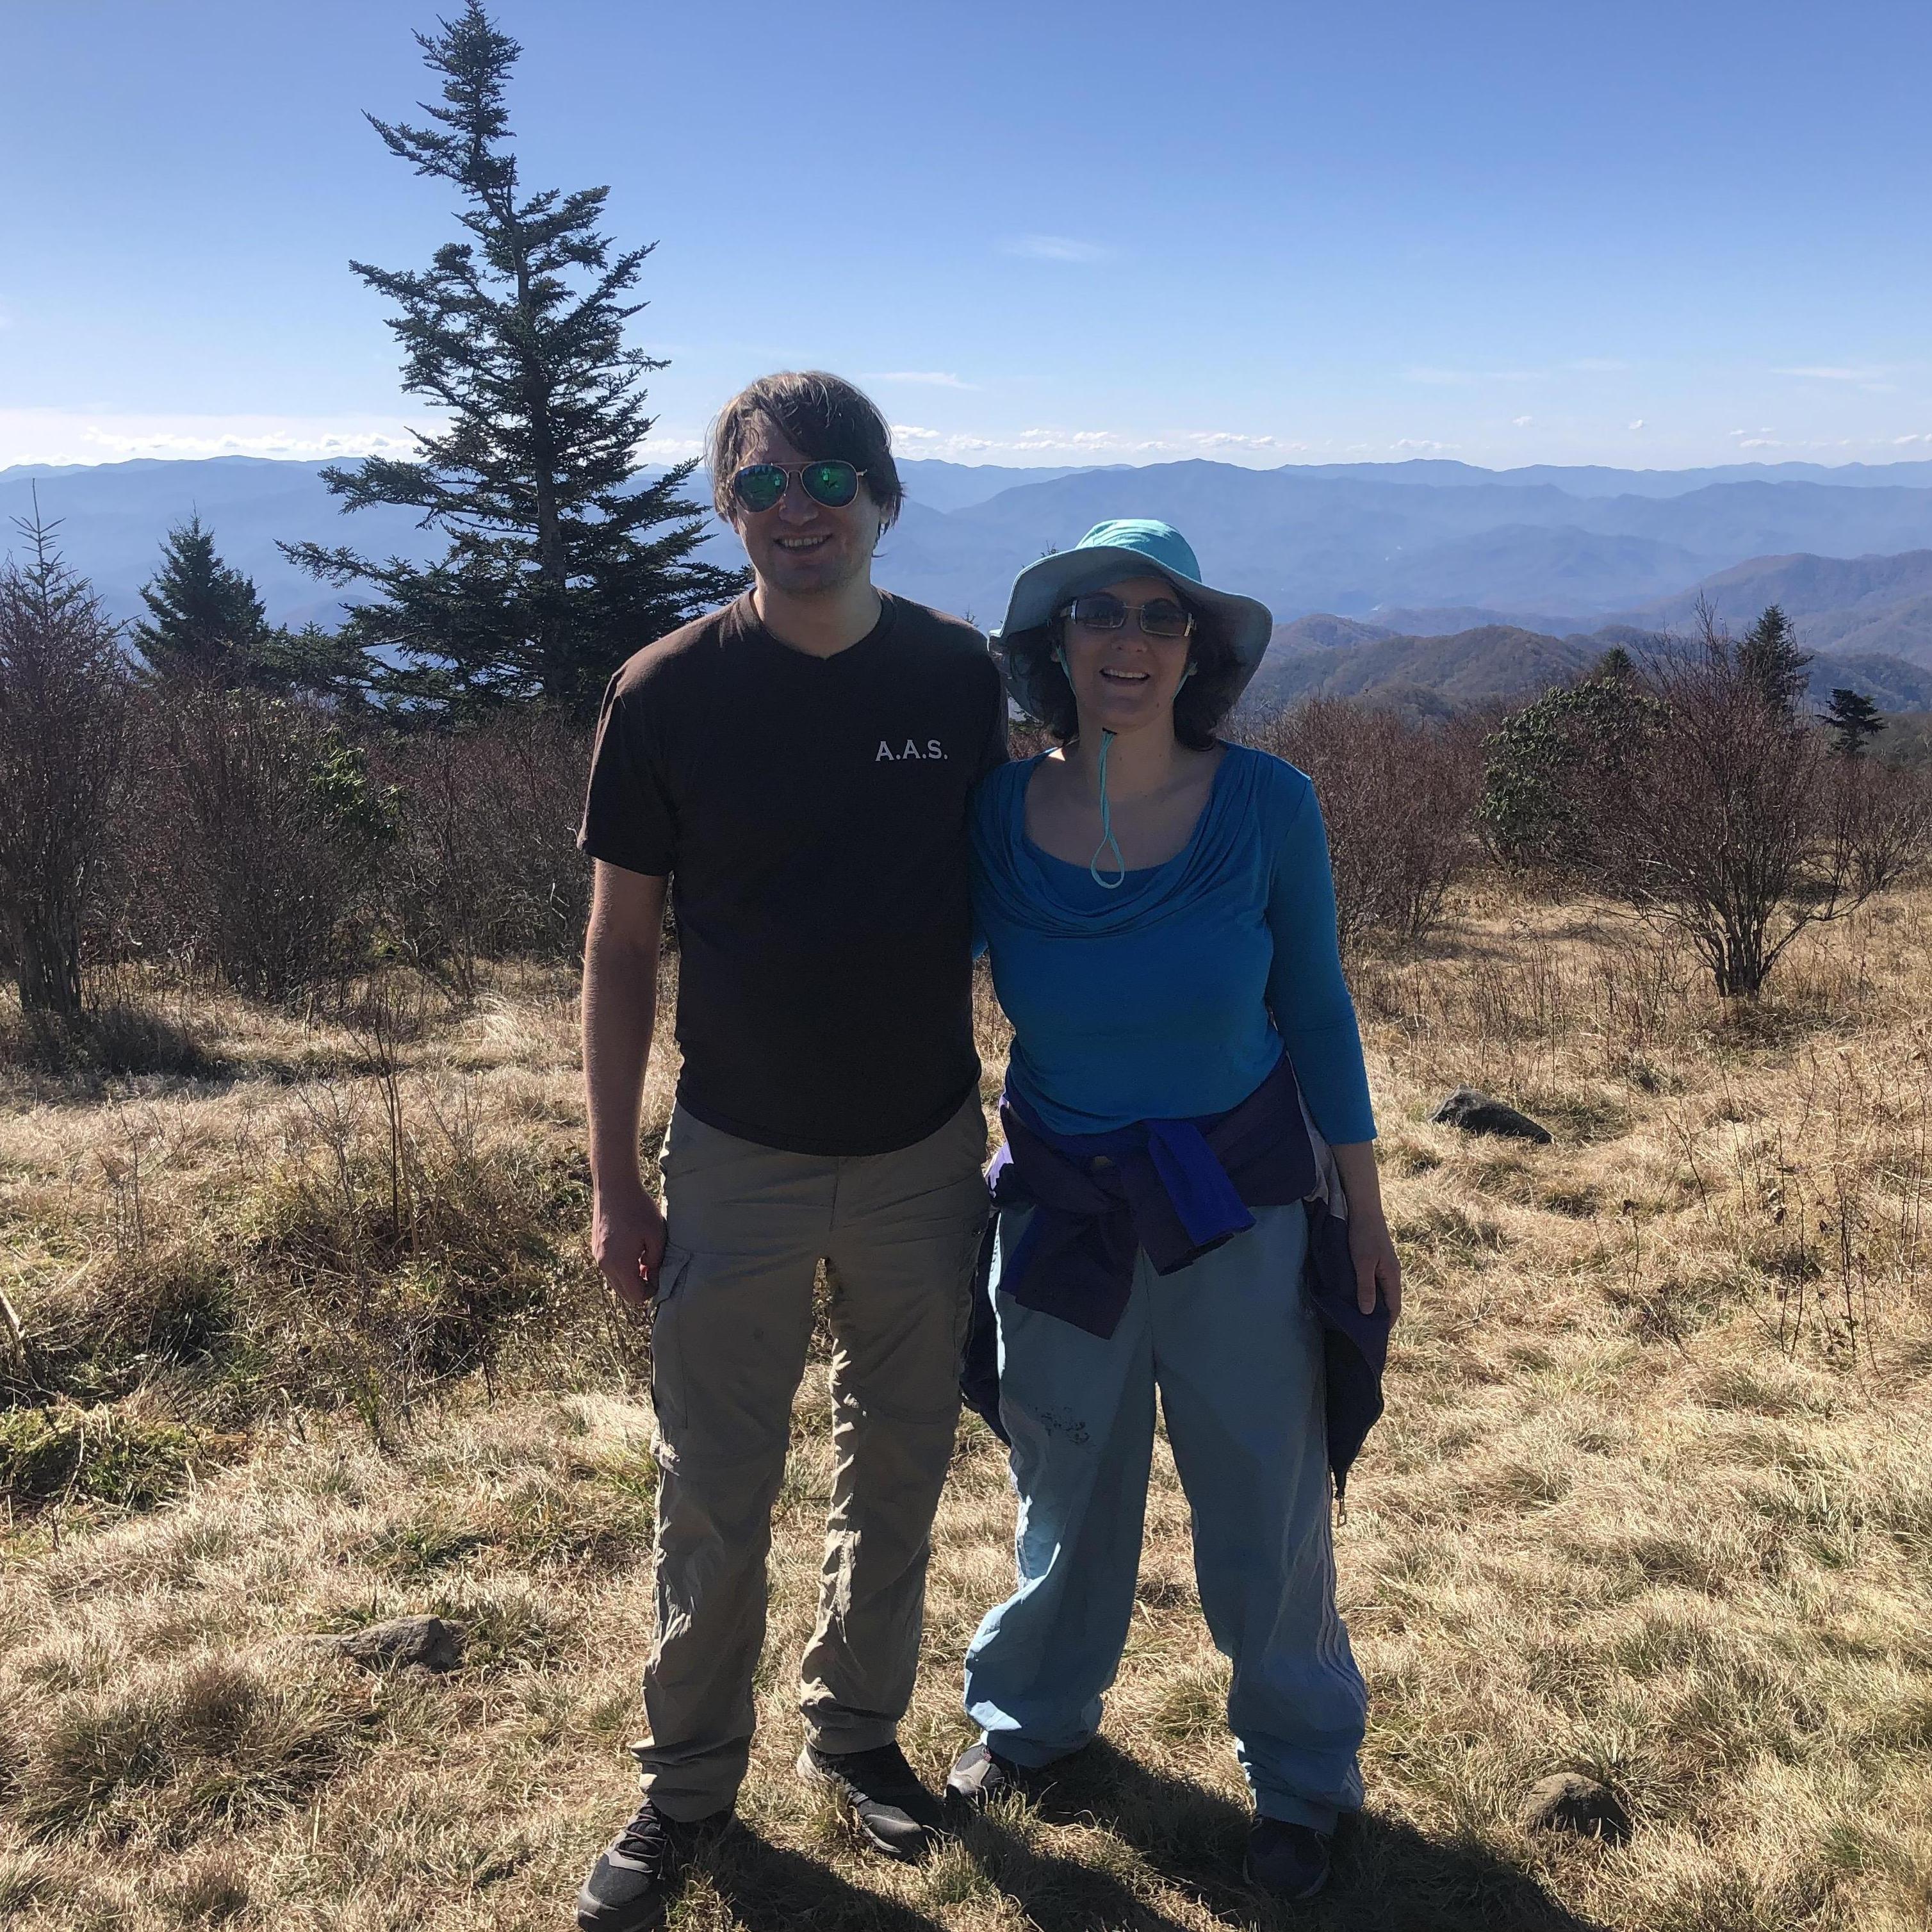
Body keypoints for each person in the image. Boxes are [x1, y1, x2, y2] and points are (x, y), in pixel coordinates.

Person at [573, 372, 1007, 1931]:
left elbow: (1012, 894)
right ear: (727, 508)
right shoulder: (666, 689)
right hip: (735, 1150)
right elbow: (620, 948)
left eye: (829, 476)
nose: (798, 505)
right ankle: (686, 1784)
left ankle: (858, 1739)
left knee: (896, 1461)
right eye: (761, 484)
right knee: (713, 1485)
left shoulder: (959, 678)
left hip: (924, 1148)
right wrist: (616, 1178)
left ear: (883, 496)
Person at [945, 520, 1402, 1904]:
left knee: (1261, 1498)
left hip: (1238, 1202)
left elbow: (1313, 1005)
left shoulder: (1266, 803)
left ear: (1195, 649)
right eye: (1097, 614)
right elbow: (895, 961)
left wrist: (1364, 1205)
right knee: (1063, 1479)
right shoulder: (992, 814)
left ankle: (1304, 1777)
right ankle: (1030, 1724)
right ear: (1055, 645)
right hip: (1065, 1208)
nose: (1126, 642)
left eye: (1158, 617)